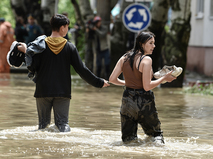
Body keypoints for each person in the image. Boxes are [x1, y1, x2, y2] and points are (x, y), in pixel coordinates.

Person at [16, 14, 109, 132]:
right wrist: (99, 82)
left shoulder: (39, 46)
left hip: (42, 91)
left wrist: (27, 52)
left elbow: (32, 68)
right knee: (63, 125)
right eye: (67, 27)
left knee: (42, 127)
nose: (67, 29)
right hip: (63, 92)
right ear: (62, 28)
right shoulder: (69, 47)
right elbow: (82, 70)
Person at [109, 31, 176, 143]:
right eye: (150, 43)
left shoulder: (124, 57)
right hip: (144, 102)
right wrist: (164, 79)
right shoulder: (146, 60)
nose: (154, 46)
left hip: (127, 101)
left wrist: (128, 83)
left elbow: (112, 79)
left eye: (154, 43)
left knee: (128, 140)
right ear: (141, 44)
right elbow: (147, 86)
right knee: (156, 136)